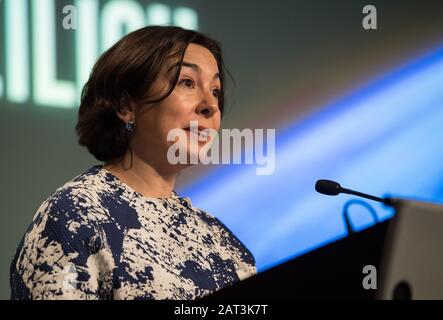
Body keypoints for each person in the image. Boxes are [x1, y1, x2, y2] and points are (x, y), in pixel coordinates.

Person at [10, 26, 256, 300]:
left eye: (215, 90)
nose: (210, 105)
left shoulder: (228, 249)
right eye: (187, 82)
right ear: (127, 107)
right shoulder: (76, 217)